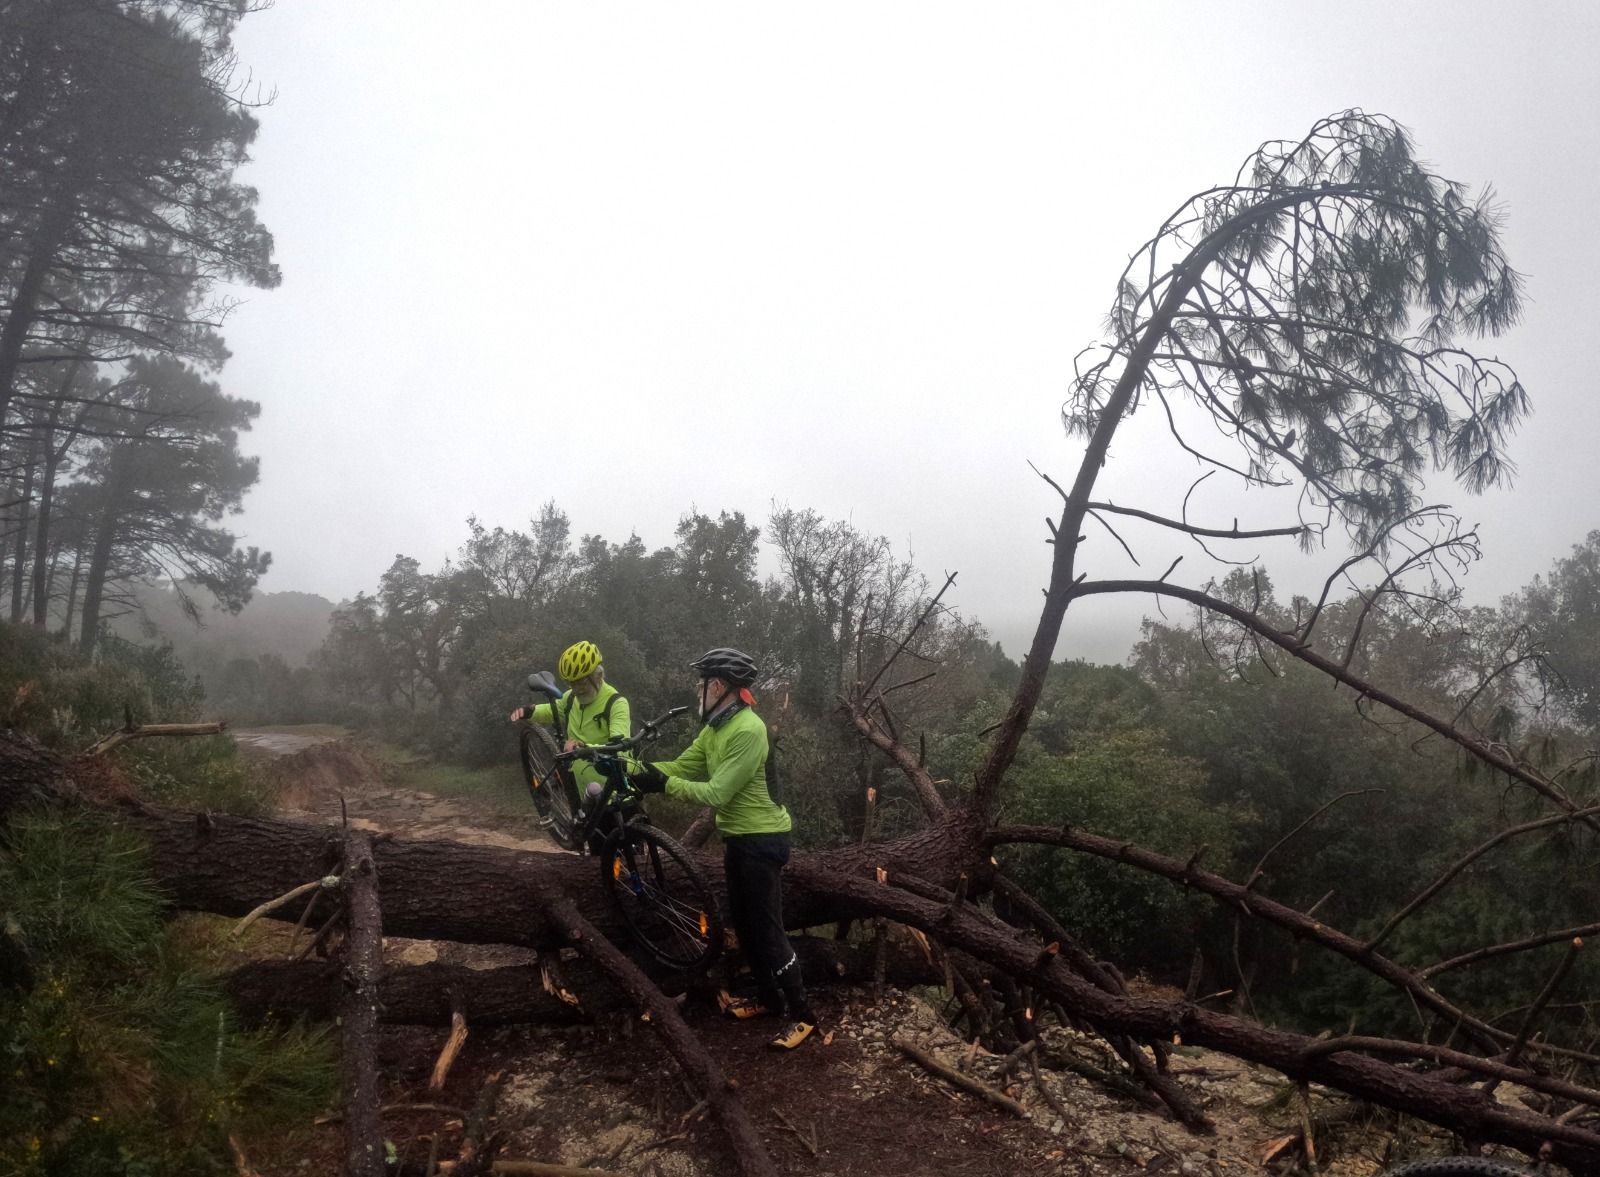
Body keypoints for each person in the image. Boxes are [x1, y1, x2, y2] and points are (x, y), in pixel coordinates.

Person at [628, 646, 815, 1050]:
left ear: (718, 686)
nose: (698, 692)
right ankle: (767, 999)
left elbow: (717, 791)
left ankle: (803, 1015)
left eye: (702, 685)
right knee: (745, 927)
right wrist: (639, 772)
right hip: (738, 838)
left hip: (763, 840)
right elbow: (680, 767)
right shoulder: (714, 729)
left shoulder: (749, 730)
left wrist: (662, 785)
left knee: (767, 930)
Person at [510, 640, 631, 819]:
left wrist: (584, 746)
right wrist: (529, 711)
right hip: (582, 789)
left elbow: (620, 748)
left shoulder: (616, 703)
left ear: (598, 675)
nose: (577, 689)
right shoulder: (571, 698)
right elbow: (554, 709)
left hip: (610, 793)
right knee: (594, 841)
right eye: (571, 683)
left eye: (581, 682)